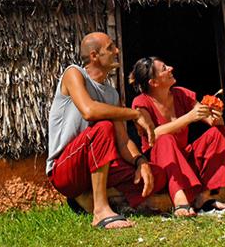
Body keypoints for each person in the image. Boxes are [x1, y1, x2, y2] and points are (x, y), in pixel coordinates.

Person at [46, 32, 167, 230]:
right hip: (66, 170)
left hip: (97, 165)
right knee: (104, 127)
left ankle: (91, 197)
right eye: (111, 48)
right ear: (94, 56)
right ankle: (100, 211)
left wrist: (140, 161)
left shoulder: (111, 94)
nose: (117, 51)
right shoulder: (73, 74)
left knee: (156, 174)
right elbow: (89, 110)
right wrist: (135, 114)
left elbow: (123, 141)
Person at [129, 57, 225, 217]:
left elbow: (211, 121)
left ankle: (204, 197)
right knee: (164, 139)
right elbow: (153, 134)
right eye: (164, 68)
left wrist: (216, 115)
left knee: (220, 133)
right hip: (162, 166)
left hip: (184, 159)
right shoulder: (141, 102)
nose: (170, 68)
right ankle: (180, 201)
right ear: (154, 82)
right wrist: (188, 118)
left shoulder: (181, 94)